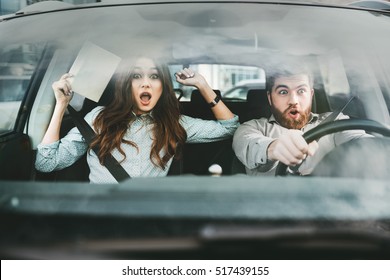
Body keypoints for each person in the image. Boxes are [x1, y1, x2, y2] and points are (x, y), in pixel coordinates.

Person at [35, 56, 239, 183]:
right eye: (136, 77)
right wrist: (61, 105)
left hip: (146, 217)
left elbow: (229, 128)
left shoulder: (174, 122)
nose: (145, 84)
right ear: (126, 84)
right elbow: (46, 163)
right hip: (102, 217)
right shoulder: (99, 118)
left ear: (163, 85)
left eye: (154, 76)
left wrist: (203, 85)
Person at [232, 63, 368, 176]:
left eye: (301, 91)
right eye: (283, 92)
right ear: (270, 98)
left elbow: (363, 143)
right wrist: (274, 148)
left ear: (311, 94)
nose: (293, 101)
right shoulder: (251, 128)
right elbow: (251, 145)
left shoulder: (335, 121)